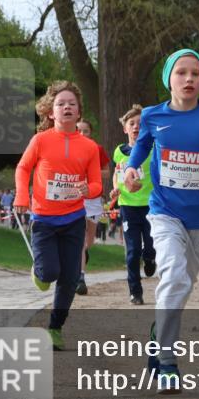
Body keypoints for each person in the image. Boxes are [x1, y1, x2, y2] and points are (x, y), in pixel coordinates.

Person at [123, 49, 199, 393]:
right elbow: (140, 149)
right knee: (174, 275)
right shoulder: (152, 115)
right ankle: (167, 363)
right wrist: (131, 169)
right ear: (169, 79)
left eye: (196, 73)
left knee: (182, 285)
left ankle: (158, 333)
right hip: (164, 212)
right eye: (181, 72)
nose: (189, 78)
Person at [15, 81, 104, 351]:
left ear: (79, 112)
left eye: (71, 104)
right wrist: (22, 196)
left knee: (70, 277)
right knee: (49, 273)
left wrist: (88, 189)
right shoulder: (40, 140)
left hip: (73, 219)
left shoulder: (89, 147)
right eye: (60, 104)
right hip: (44, 218)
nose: (66, 107)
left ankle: (55, 327)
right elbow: (23, 168)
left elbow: (97, 184)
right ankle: (39, 271)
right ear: (51, 112)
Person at [111, 104, 157, 305]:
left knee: (151, 245)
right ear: (125, 129)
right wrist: (115, 188)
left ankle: (150, 258)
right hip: (128, 206)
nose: (136, 127)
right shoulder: (119, 151)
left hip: (151, 205)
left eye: (140, 123)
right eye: (132, 123)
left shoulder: (153, 148)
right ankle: (135, 292)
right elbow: (116, 173)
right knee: (132, 251)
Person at [74, 119, 111, 296]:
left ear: (91, 133)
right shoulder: (70, 149)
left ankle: (83, 253)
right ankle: (80, 277)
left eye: (85, 131)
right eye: (78, 130)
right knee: (80, 240)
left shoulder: (97, 149)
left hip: (94, 199)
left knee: (89, 241)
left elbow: (107, 172)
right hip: (76, 198)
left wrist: (92, 173)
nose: (82, 134)